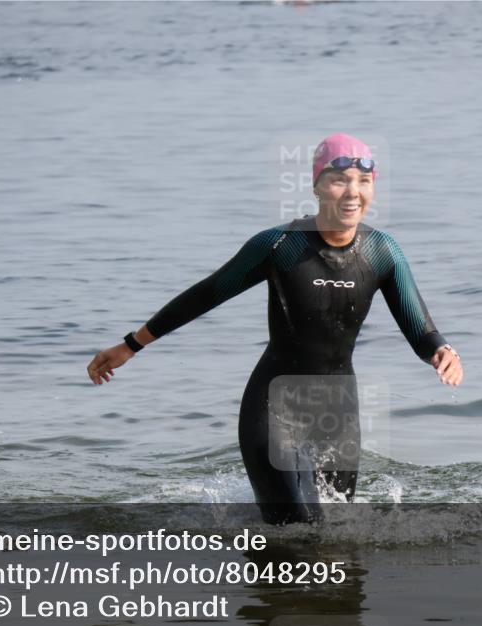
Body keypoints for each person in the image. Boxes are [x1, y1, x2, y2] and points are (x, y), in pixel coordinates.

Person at [87, 133, 463, 523]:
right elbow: (206, 295)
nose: (352, 192)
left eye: (363, 182)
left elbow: (420, 328)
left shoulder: (382, 251)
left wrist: (441, 351)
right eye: (339, 180)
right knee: (296, 529)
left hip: (338, 415)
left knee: (338, 537)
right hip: (273, 408)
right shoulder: (279, 246)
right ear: (317, 186)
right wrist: (131, 345)